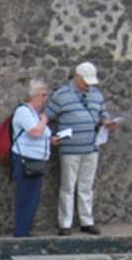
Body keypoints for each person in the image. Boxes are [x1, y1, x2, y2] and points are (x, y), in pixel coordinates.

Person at [46, 61, 119, 235]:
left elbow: (102, 113)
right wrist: (49, 137)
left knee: (86, 186)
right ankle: (65, 223)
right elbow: (46, 117)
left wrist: (107, 122)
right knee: (68, 187)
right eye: (85, 82)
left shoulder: (97, 95)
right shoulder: (62, 95)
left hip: (91, 147)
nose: (88, 85)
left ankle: (87, 220)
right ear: (77, 78)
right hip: (70, 148)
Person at [10, 79, 52, 237]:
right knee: (26, 198)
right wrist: (44, 121)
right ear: (33, 96)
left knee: (33, 198)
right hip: (25, 160)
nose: (45, 98)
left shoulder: (34, 114)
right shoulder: (24, 112)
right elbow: (35, 132)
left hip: (36, 161)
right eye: (43, 95)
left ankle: (25, 230)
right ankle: (21, 233)